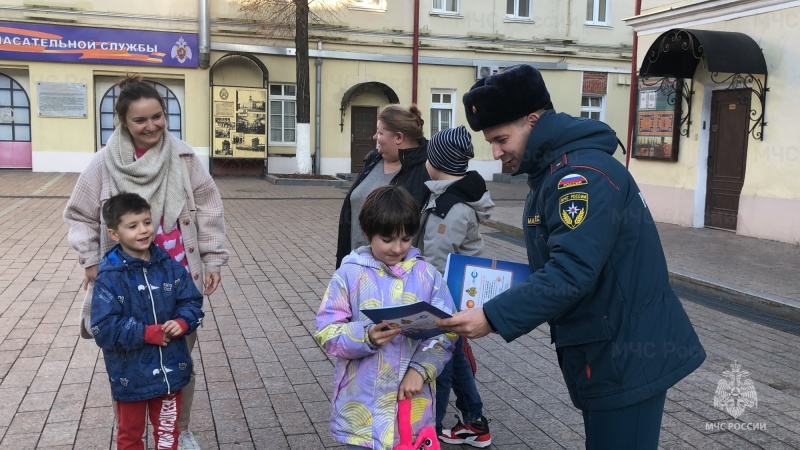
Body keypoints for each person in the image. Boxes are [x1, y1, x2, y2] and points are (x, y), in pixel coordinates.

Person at [436, 64, 706, 450]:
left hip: (625, 357)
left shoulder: (579, 175)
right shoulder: (553, 170)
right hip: (606, 351)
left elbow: (571, 271)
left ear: (533, 120)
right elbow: (564, 262)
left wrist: (493, 316)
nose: (495, 153)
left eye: (500, 139)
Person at [64, 74, 229, 450]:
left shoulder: (183, 157)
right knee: (128, 359)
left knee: (178, 360)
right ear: (123, 122)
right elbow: (79, 215)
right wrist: (90, 259)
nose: (151, 125)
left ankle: (178, 430)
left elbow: (209, 208)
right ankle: (131, 434)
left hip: (176, 281)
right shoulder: (104, 164)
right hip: (124, 285)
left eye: (158, 116)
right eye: (140, 120)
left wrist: (213, 258)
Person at [315, 185, 457, 450]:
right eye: (388, 239)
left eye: (405, 238)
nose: (397, 248)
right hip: (361, 411)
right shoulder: (348, 275)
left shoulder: (428, 276)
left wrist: (420, 370)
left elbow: (446, 332)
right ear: (368, 233)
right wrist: (365, 336)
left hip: (410, 406)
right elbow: (327, 331)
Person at [91, 193, 204, 450]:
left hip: (169, 375)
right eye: (133, 226)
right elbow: (103, 328)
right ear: (114, 234)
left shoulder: (169, 265)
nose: (143, 230)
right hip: (130, 377)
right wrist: (146, 333)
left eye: (147, 222)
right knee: (130, 436)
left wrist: (184, 322)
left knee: (167, 434)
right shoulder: (110, 276)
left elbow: (192, 302)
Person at [413, 125, 494, 447]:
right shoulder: (448, 198)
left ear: (437, 160)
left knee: (441, 365)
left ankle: (427, 431)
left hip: (445, 299)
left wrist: (420, 308)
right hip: (454, 296)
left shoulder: (451, 208)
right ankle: (474, 421)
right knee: (456, 355)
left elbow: (435, 263)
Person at [335, 104, 430, 268]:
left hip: (394, 276)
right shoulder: (373, 161)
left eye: (380, 132)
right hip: (357, 266)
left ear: (398, 137)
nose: (374, 137)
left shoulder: (425, 171)